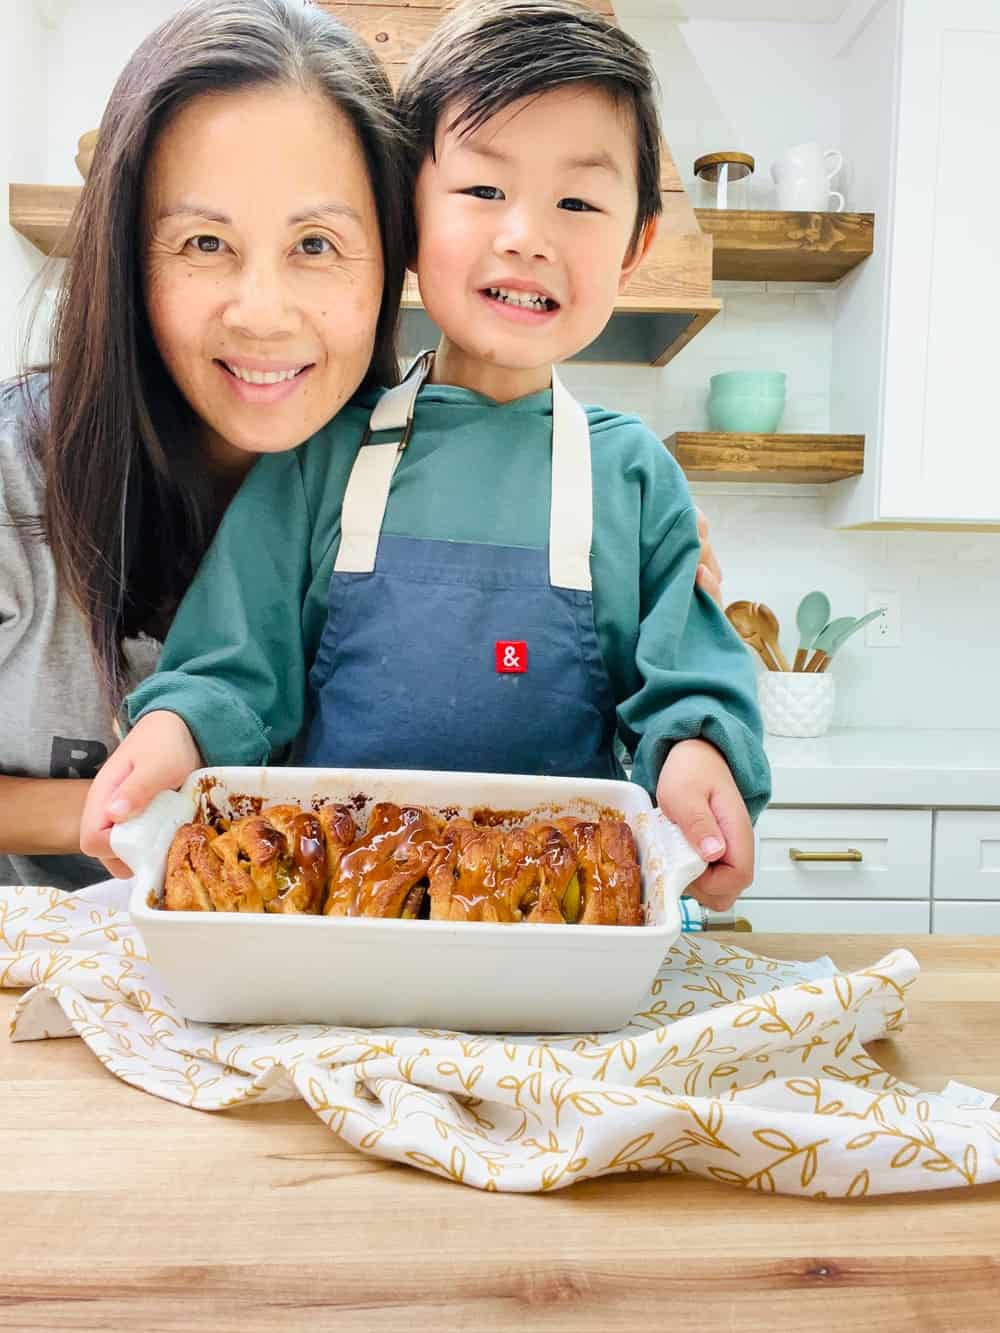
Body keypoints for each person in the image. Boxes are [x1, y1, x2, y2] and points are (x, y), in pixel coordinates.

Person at [82, 0, 768, 909]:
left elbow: (687, 676)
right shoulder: (324, 453)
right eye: (483, 190)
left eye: (578, 201)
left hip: (557, 933)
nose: (525, 233)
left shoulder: (636, 478)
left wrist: (696, 752)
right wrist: (173, 735)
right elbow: (234, 665)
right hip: (337, 919)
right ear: (408, 218)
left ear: (636, 245)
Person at [0, 0, 413, 890]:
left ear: (391, 259)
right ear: (128, 258)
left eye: (315, 243)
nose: (261, 310)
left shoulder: (430, 483)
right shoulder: (10, 476)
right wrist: (145, 806)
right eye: (204, 242)